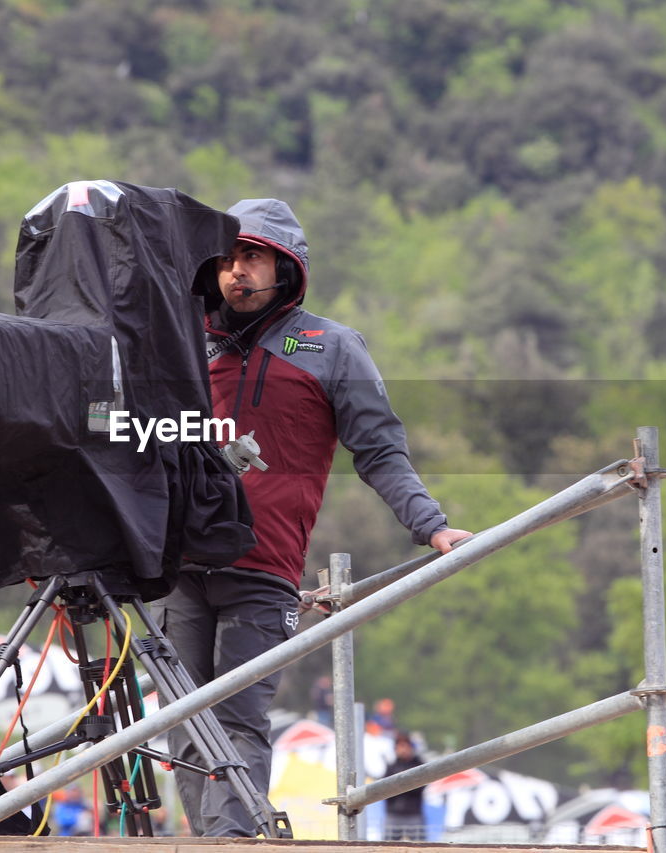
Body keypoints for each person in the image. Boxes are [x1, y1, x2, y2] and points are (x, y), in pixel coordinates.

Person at [156, 197, 472, 837]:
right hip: (173, 564)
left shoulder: (332, 347)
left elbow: (380, 451)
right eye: (224, 259)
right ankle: (219, 841)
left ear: (286, 267)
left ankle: (235, 845)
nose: (235, 271)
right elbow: (127, 439)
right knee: (185, 727)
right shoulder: (184, 341)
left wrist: (432, 525)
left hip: (263, 567)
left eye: (251, 256)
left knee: (238, 719)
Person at [382, 731, 427, 841]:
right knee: (387, 847)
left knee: (419, 846)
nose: (403, 749)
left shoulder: (418, 765)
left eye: (405, 746)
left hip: (413, 814)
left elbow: (420, 787)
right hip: (393, 814)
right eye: (400, 746)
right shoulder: (392, 767)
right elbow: (384, 788)